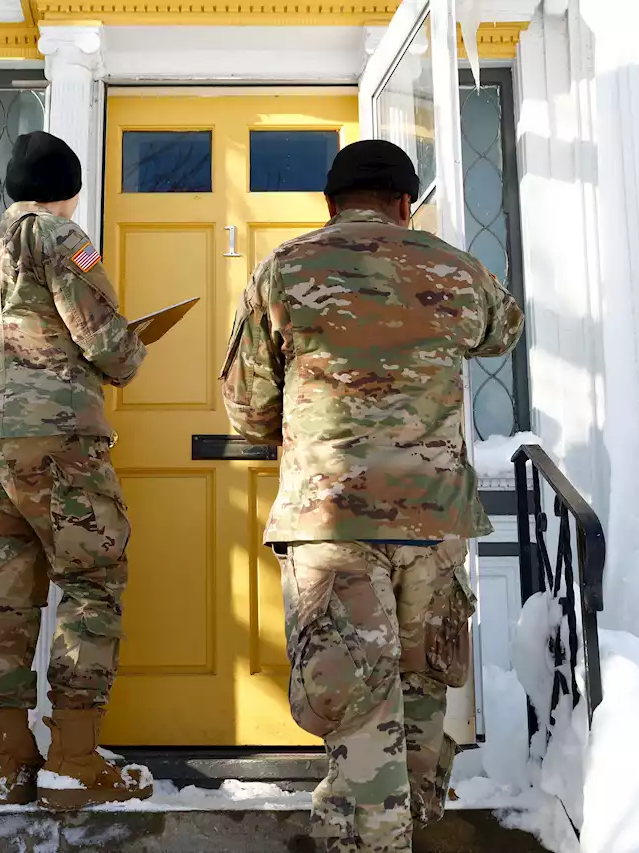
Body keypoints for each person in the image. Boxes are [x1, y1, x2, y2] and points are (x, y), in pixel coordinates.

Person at [221, 139, 525, 852]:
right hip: (436, 522)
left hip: (332, 522)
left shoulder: (285, 271)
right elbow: (502, 330)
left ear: (330, 204)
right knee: (421, 701)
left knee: (358, 711)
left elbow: (246, 402)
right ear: (404, 203)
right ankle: (410, 831)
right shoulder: (453, 266)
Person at [0, 130, 152, 811]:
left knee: (3, 594)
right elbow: (107, 346)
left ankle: (9, 763)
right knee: (92, 583)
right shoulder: (61, 239)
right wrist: (134, 345)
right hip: (55, 438)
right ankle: (73, 759)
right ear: (69, 188)